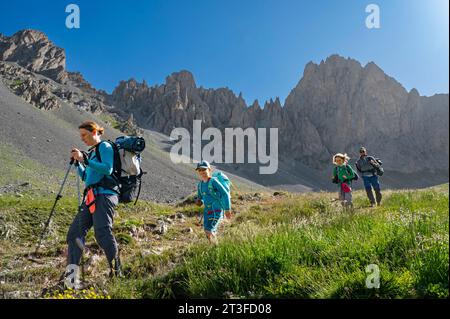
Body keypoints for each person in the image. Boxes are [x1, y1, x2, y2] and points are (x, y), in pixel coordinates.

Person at [66, 121, 122, 281]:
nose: (82, 139)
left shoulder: (105, 147)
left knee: (102, 232)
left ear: (95, 132)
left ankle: (118, 273)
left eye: (84, 135)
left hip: (104, 195)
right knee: (74, 234)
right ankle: (70, 280)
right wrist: (79, 163)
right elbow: (86, 177)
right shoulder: (92, 153)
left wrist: (85, 159)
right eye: (81, 136)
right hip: (91, 197)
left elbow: (107, 168)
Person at [195, 160, 231, 244]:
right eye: (199, 170)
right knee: (207, 231)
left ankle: (217, 249)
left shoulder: (213, 181)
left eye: (204, 169)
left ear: (209, 170)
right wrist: (199, 202)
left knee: (209, 231)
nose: (202, 172)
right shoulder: (200, 185)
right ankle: (214, 248)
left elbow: (225, 194)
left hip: (217, 210)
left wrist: (227, 209)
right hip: (207, 211)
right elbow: (200, 198)